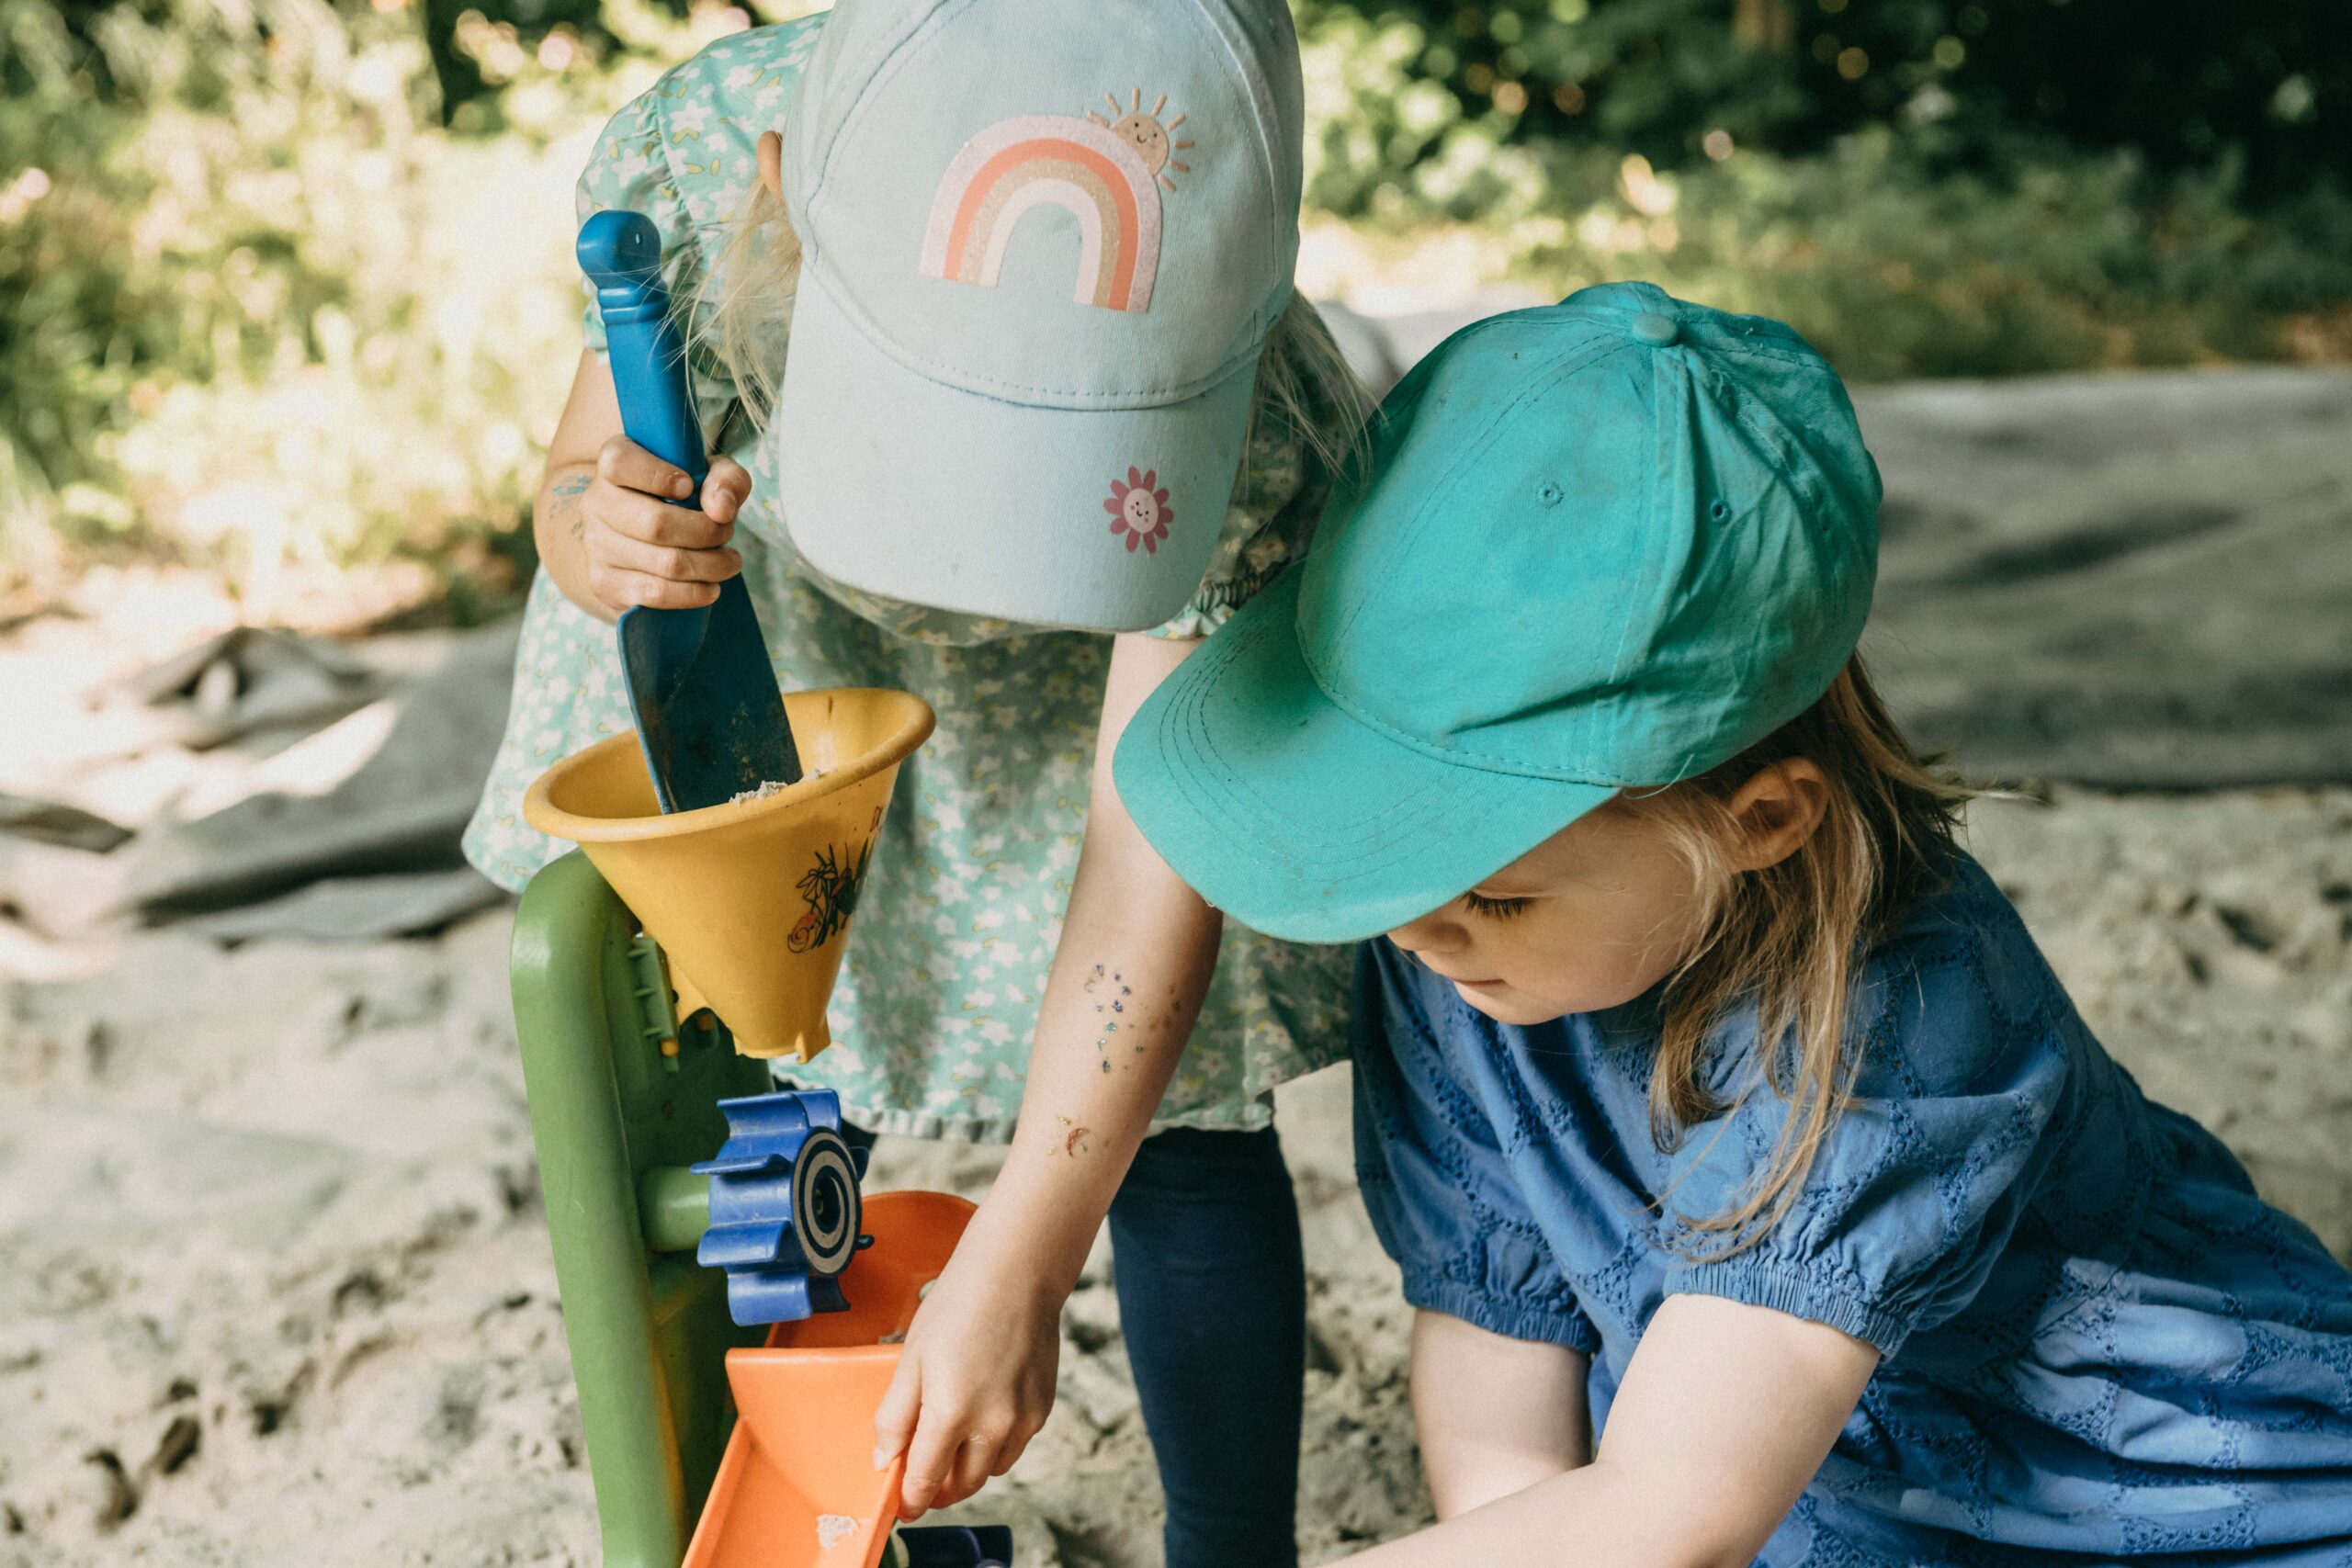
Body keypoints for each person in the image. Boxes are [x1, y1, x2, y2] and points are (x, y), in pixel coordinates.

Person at [1113, 282, 2352, 1565]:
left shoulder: (1900, 1015)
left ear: (1759, 823)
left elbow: (1672, 1513)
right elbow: (1499, 1349)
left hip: (2135, 1482)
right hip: (1786, 1473)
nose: (1424, 928)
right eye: (1397, 852)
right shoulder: (1454, 947)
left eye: (1495, 888)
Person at [463, 3, 1367, 1562]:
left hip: (1093, 718)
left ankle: (1234, 1542)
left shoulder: (1248, 448)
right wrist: (590, 529)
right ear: (780, 195)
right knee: (768, 1106)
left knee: (1184, 1120)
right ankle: (797, 1502)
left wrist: (1020, 1261)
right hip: (774, 699)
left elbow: (1149, 852)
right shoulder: (704, 182)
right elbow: (573, 480)